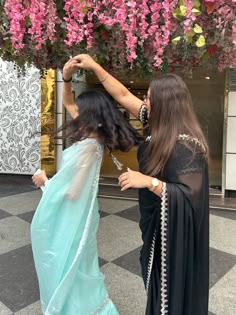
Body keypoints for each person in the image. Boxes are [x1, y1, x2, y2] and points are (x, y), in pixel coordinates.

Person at [71, 54, 209, 315]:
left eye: (149, 98)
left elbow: (189, 197)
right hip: (154, 224)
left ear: (165, 104)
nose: (144, 102)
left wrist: (148, 181)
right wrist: (94, 66)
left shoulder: (187, 146)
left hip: (171, 234)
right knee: (154, 280)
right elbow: (122, 94)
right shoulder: (155, 124)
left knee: (166, 287)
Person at [31, 57, 143, 315]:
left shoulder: (87, 149)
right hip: (82, 217)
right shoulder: (94, 139)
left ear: (90, 116)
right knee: (80, 268)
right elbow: (68, 101)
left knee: (72, 267)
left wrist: (44, 183)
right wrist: (67, 78)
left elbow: (71, 194)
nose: (75, 114)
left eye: (81, 111)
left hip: (75, 219)